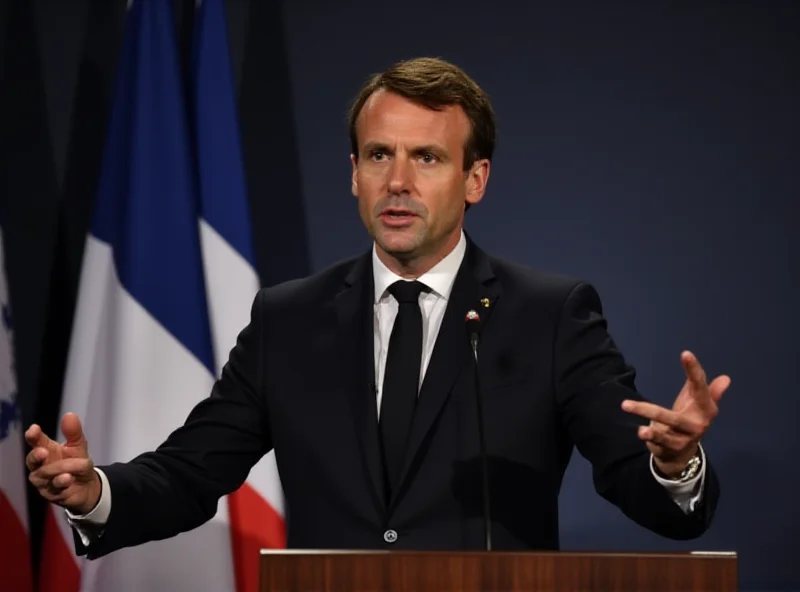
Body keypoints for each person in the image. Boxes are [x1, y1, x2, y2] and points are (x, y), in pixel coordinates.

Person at [26, 57, 727, 555]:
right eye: (377, 155)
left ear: (474, 178)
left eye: (426, 157)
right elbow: (189, 474)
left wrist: (675, 465)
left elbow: (646, 492)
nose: (397, 181)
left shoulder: (552, 315)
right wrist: (95, 493)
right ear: (353, 175)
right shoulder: (288, 318)